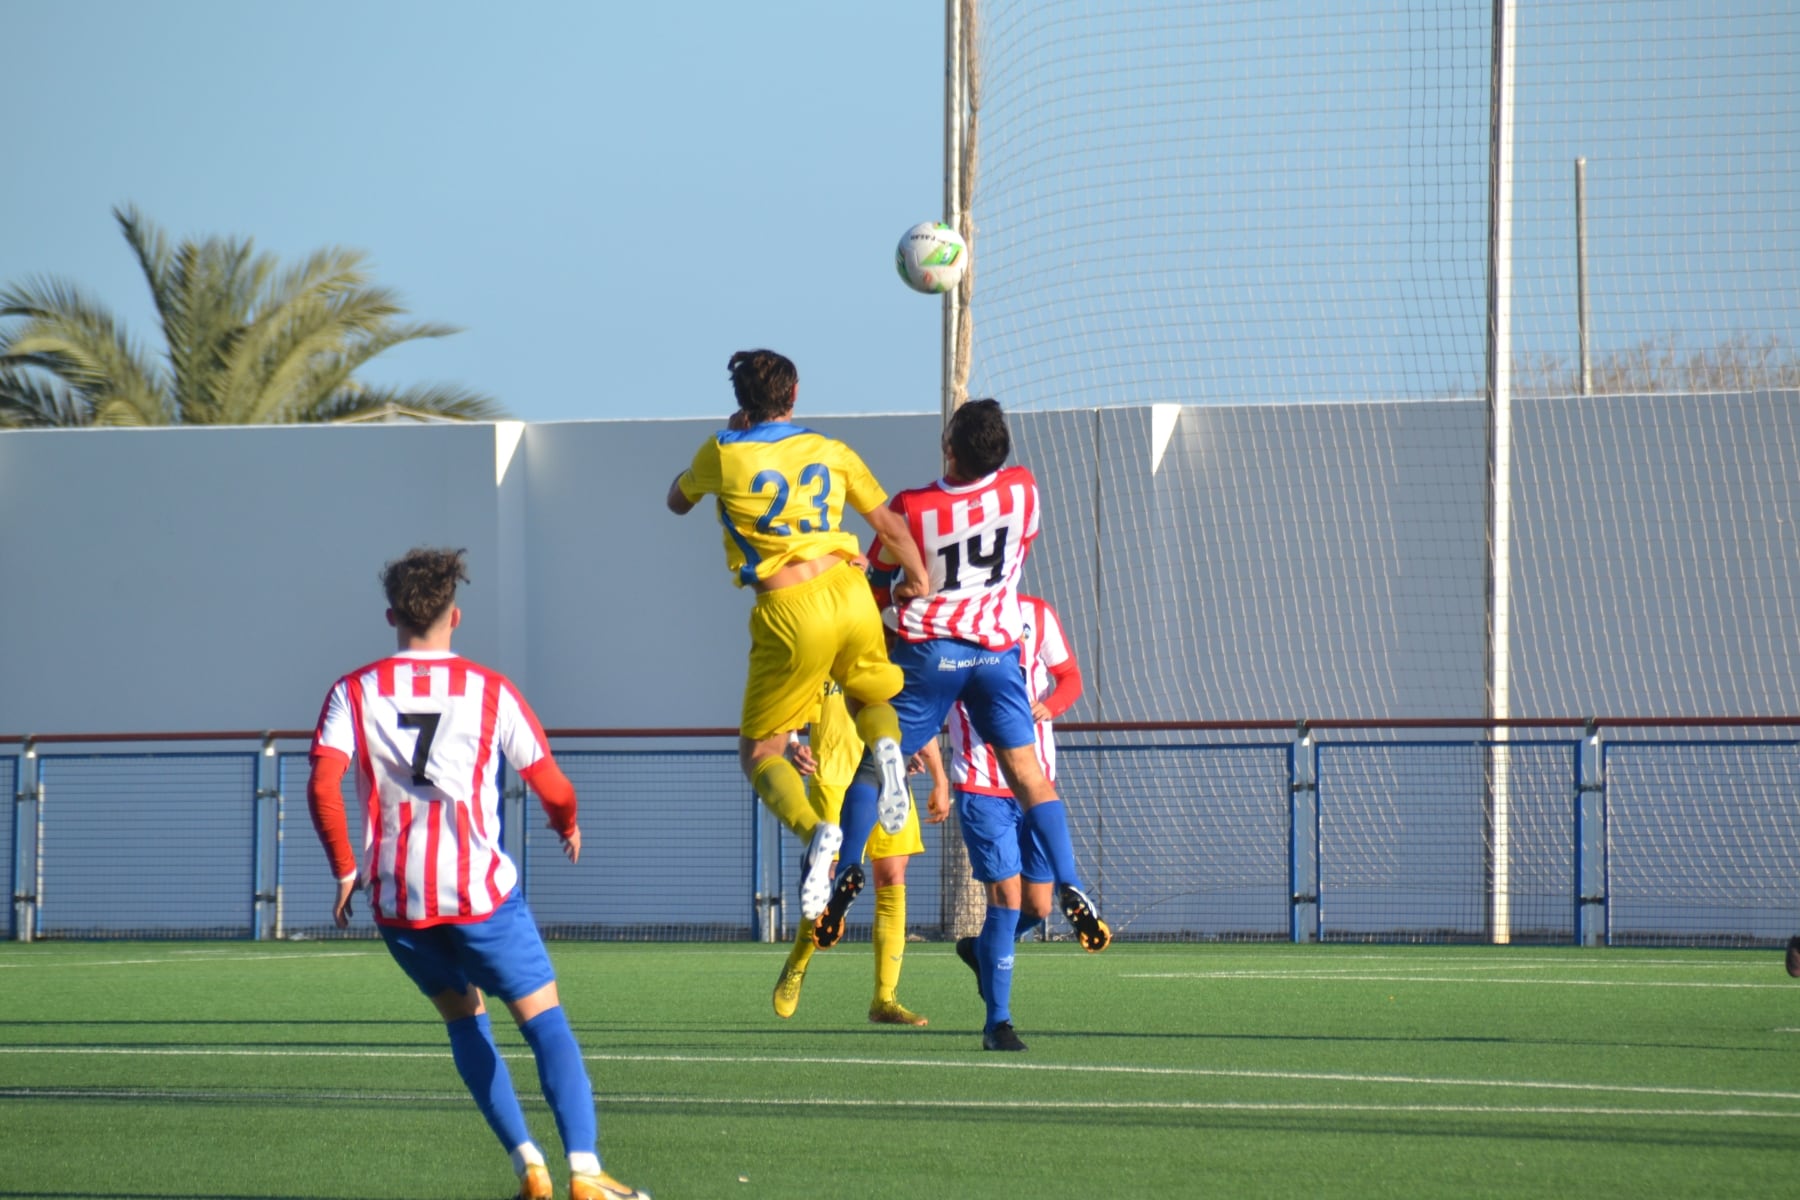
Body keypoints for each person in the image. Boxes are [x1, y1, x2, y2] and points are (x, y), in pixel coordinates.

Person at [306, 547, 647, 1200]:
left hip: (399, 899)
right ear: (455, 617)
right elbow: (552, 784)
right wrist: (565, 823)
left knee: (465, 1022)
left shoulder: (353, 690)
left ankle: (530, 1168)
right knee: (545, 1022)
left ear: (391, 616)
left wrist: (346, 870)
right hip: (480, 893)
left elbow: (323, 782)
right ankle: (585, 1172)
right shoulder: (490, 691)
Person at [822, 399, 1110, 1053]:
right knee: (1030, 773)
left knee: (879, 761)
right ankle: (1071, 880)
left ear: (949, 446)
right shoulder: (1024, 490)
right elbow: (1001, 548)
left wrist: (898, 591)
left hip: (933, 652)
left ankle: (845, 866)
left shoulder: (913, 510)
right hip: (995, 653)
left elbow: (880, 584)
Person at [666, 350, 933, 924]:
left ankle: (817, 834)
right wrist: (917, 576)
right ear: (795, 393)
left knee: (760, 750)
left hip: (788, 606)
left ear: (741, 402)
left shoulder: (721, 450)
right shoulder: (833, 451)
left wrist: (725, 436)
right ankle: (887, 751)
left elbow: (677, 500)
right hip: (847, 586)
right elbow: (887, 523)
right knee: (873, 700)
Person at [772, 680, 949, 1026]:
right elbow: (792, 702)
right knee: (828, 877)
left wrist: (940, 777)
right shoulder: (827, 650)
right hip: (834, 777)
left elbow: (914, 714)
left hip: (887, 775)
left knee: (893, 875)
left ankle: (885, 999)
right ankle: (797, 964)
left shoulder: (891, 654)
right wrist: (794, 745)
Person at [933, 595, 1086, 992]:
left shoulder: (1037, 613)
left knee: (1038, 906)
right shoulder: (950, 620)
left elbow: (1070, 677)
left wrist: (1051, 705)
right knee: (1006, 900)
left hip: (1035, 784)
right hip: (980, 782)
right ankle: (998, 1021)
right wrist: (926, 759)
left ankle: (980, 949)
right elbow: (930, 695)